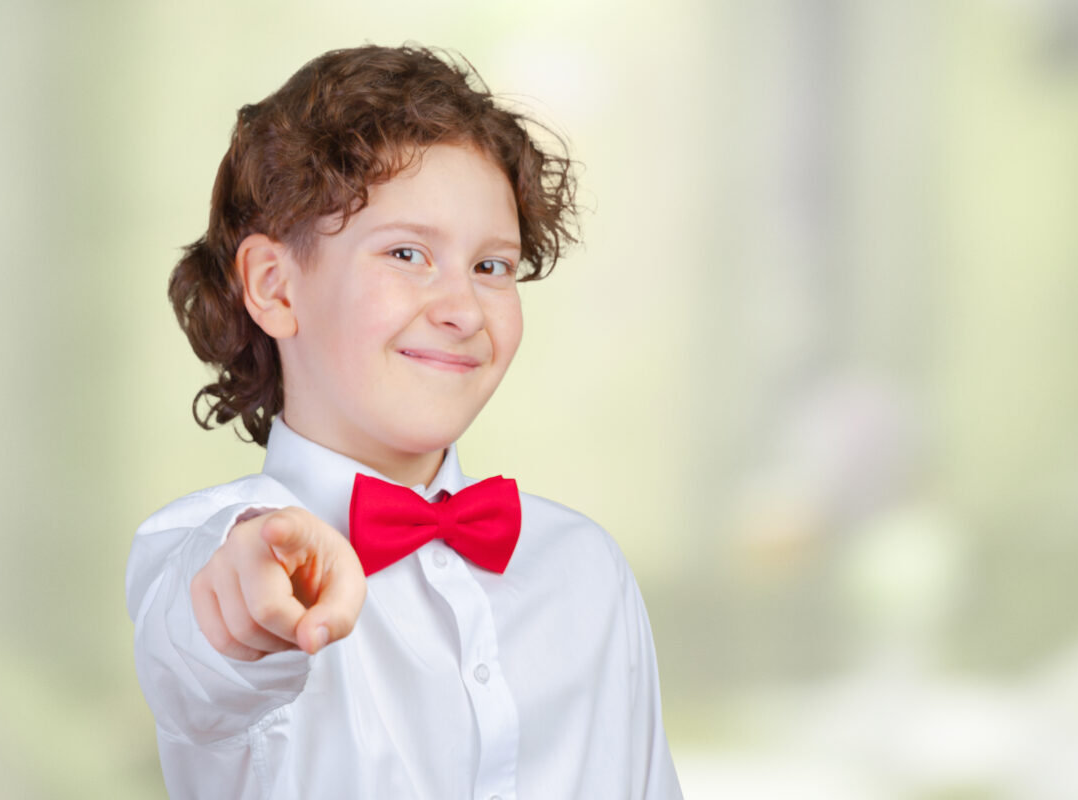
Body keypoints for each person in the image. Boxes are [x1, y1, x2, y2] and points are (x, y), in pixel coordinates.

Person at [126, 44, 683, 799]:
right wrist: (252, 579)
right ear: (274, 286)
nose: (461, 309)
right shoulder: (199, 548)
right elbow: (203, 645)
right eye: (407, 252)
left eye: (492, 267)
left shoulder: (585, 569)